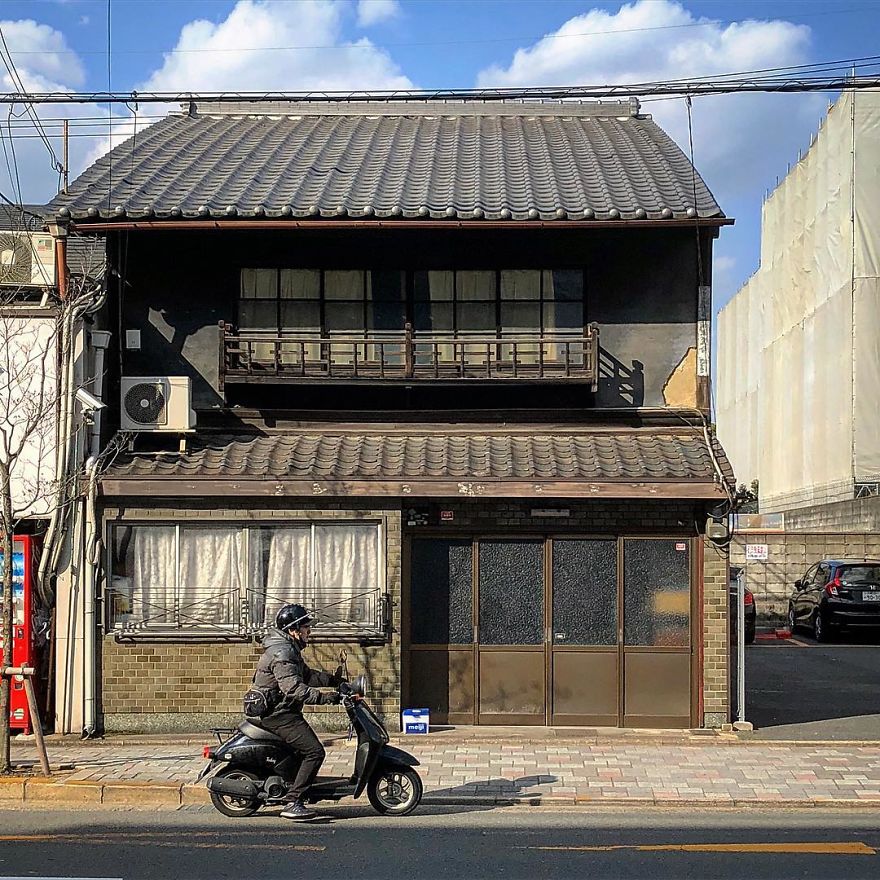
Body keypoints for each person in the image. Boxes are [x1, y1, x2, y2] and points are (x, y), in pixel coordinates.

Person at [249, 603, 344, 821]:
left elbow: (307, 676)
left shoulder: (288, 648)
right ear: (293, 630)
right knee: (315, 752)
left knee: (303, 751)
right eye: (305, 627)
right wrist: (327, 698)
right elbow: (292, 689)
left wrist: (334, 681)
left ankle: (295, 787)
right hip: (279, 714)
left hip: (284, 711)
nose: (309, 631)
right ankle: (293, 801)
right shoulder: (283, 652)